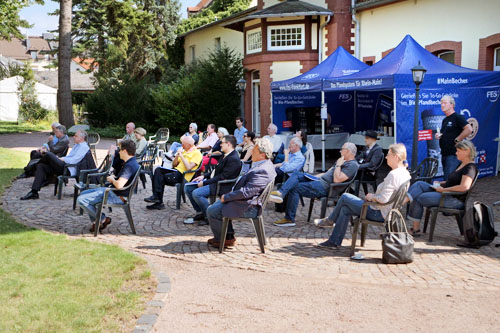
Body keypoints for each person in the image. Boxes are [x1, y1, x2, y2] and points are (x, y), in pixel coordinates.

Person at [315, 143, 411, 249]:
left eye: (388, 155)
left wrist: (371, 197)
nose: (386, 157)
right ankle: (333, 241)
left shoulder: (394, 175)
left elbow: (384, 199)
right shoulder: (405, 173)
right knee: (345, 209)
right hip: (388, 212)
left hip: (379, 212)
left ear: (396, 157)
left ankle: (330, 221)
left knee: (345, 197)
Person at [206, 138, 276, 248]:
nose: (252, 151)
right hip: (246, 200)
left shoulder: (263, 170)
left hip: (248, 205)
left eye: (255, 150)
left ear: (262, 155)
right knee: (216, 206)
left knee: (212, 210)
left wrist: (227, 197)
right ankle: (228, 237)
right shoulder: (264, 165)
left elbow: (246, 192)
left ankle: (221, 240)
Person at [271, 142, 359, 227]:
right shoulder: (341, 160)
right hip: (319, 181)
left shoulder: (352, 165)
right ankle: (281, 193)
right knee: (297, 174)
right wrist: (312, 177)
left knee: (295, 188)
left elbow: (337, 179)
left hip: (326, 188)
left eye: (342, 149)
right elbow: (327, 173)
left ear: (348, 151)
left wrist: (339, 165)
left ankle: (289, 219)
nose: (340, 151)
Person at [405, 140, 478, 236]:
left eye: (458, 151)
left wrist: (443, 189)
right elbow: (454, 181)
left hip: (453, 199)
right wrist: (441, 183)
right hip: (445, 193)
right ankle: (404, 200)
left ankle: (415, 229)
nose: (456, 153)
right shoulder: (461, 164)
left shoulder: (470, 168)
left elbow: (464, 187)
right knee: (419, 184)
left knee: (419, 198)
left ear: (467, 151)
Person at [77, 140, 140, 233]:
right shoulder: (131, 162)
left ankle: (102, 219)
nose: (119, 152)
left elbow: (119, 185)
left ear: (125, 151)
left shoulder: (130, 165)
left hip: (117, 196)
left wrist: (112, 180)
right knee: (83, 193)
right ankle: (96, 221)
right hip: (113, 192)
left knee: (81, 199)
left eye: (120, 149)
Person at [184, 135, 242, 226]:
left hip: (221, 186)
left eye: (222, 143)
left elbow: (222, 177)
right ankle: (200, 213)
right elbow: (216, 171)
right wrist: (204, 177)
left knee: (196, 193)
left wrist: (204, 182)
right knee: (188, 188)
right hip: (214, 181)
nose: (220, 145)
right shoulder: (225, 155)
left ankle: (209, 216)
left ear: (229, 144)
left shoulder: (233, 159)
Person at [20, 130, 90, 200]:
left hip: (68, 169)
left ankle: (30, 170)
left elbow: (74, 160)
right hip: (64, 165)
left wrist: (61, 159)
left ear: (82, 138)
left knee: (48, 154)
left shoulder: (84, 147)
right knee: (41, 166)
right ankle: (34, 192)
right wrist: (59, 158)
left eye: (76, 136)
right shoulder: (77, 145)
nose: (73, 137)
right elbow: (69, 157)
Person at [144, 136, 202, 210]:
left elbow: (189, 167)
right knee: (158, 170)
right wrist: (177, 157)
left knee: (160, 178)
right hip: (175, 171)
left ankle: (158, 201)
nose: (182, 145)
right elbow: (174, 165)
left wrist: (182, 156)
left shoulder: (196, 154)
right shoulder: (185, 151)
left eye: (183, 144)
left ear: (189, 145)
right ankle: (156, 197)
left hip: (183, 175)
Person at [435, 95, 472, 180]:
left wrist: (458, 139)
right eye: (441, 103)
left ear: (452, 105)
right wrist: (440, 135)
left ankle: (449, 193)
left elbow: (469, 129)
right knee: (448, 179)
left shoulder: (457, 117)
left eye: (445, 103)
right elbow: (448, 133)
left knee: (449, 179)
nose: (442, 105)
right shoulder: (445, 120)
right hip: (444, 153)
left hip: (453, 154)